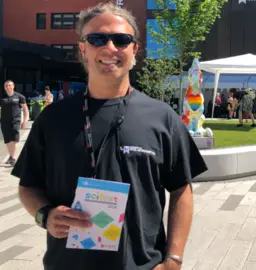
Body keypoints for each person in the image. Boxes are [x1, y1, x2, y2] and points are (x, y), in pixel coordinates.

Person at [12, 3, 207, 270]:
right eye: (97, 39)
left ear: (134, 49)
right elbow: (28, 186)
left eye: (121, 39)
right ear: (83, 49)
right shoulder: (52, 119)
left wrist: (173, 260)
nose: (110, 48)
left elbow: (182, 189)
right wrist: (44, 215)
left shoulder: (163, 118)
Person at [0, 80, 29, 166]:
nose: (8, 87)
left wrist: (25, 120)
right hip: (4, 121)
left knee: (14, 139)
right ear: (4, 87)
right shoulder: (2, 96)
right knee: (8, 140)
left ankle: (13, 157)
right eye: (6, 86)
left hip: (15, 120)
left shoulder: (19, 96)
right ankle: (11, 157)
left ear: (13, 86)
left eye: (9, 85)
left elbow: (25, 109)